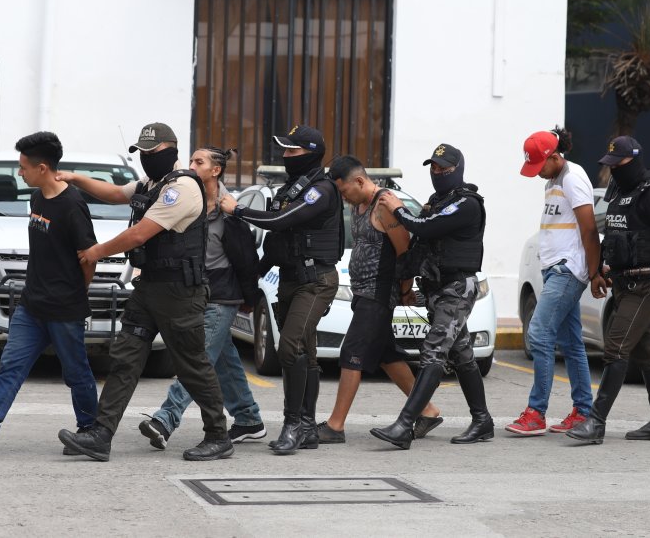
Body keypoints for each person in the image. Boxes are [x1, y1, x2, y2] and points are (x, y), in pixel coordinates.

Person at [58, 123, 233, 462]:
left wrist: (96, 252)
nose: (148, 159)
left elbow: (140, 235)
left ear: (171, 150)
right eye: (143, 153)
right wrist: (76, 178)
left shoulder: (181, 188)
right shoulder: (151, 184)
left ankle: (218, 435)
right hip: (149, 287)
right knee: (125, 358)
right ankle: (101, 434)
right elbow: (113, 193)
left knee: (193, 365)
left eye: (153, 152)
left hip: (179, 292)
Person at [0, 132, 98, 458]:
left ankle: (90, 432)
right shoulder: (38, 198)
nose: (19, 173)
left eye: (24, 166)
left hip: (64, 308)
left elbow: (89, 256)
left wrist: (75, 292)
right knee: (10, 367)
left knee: (76, 372)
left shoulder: (72, 206)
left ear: (42, 168)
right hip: (32, 304)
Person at [220, 125, 343, 455]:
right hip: (289, 280)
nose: (286, 156)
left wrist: (239, 210)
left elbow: (281, 221)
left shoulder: (321, 190)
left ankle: (293, 424)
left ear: (312, 154)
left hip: (316, 281)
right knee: (306, 352)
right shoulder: (291, 189)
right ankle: (307, 427)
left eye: (293, 152)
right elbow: (275, 245)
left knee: (288, 347)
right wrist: (250, 284)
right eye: (285, 151)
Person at [135, 147, 267, 450]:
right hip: (191, 293)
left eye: (199, 162)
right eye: (191, 160)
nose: (191, 166)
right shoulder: (186, 197)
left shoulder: (230, 211)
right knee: (224, 360)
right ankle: (249, 419)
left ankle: (165, 419)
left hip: (222, 297)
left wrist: (249, 297)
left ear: (216, 170)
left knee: (198, 359)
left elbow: (246, 259)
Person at [369, 143, 493, 449]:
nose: (436, 173)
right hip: (438, 289)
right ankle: (482, 421)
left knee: (433, 353)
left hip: (456, 289)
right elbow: (417, 246)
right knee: (462, 356)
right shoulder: (439, 201)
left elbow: (425, 228)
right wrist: (406, 284)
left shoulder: (466, 204)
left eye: (443, 168)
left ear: (457, 170)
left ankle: (404, 424)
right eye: (433, 168)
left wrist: (397, 207)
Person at [316, 155, 444, 444]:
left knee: (352, 353)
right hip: (363, 291)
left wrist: (403, 290)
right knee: (387, 355)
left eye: (344, 190)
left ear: (359, 180)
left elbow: (405, 252)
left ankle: (335, 426)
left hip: (378, 292)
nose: (343, 196)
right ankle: (427, 410)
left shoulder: (385, 205)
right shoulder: (361, 204)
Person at [567, 136, 650, 445]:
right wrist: (603, 266)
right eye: (610, 165)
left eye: (618, 165)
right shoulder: (619, 193)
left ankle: (596, 422)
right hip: (622, 281)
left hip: (646, 284)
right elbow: (615, 234)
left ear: (634, 161)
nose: (614, 170)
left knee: (616, 348)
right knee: (646, 352)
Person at [507, 128, 597, 436]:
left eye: (540, 166)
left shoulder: (573, 178)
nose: (537, 173)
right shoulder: (553, 181)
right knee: (571, 343)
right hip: (553, 269)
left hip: (567, 270)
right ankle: (583, 411)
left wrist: (594, 271)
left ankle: (536, 413)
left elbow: (589, 229)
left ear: (555, 157)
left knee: (539, 333)